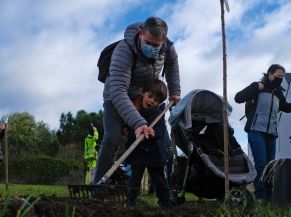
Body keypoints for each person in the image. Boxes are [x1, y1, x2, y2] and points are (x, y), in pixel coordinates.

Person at [94, 16, 181, 184]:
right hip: (117, 94)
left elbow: (172, 65)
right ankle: (100, 183)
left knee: (153, 137)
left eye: (157, 45)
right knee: (112, 137)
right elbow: (118, 91)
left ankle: (143, 185)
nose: (152, 48)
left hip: (144, 96)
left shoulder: (168, 49)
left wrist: (175, 91)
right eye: (148, 43)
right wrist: (137, 122)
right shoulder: (123, 51)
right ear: (141, 34)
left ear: (163, 42)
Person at [234, 64, 291, 203]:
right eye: (278, 75)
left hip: (271, 133)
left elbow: (287, 108)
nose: (280, 78)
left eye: (282, 76)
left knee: (270, 166)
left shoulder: (278, 93)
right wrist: (255, 87)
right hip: (256, 131)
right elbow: (238, 98)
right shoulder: (258, 87)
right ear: (270, 74)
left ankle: (270, 195)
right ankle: (260, 196)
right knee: (261, 164)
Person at [123, 80, 172, 208]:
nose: (151, 101)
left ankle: (165, 202)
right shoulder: (134, 110)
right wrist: (127, 129)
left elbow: (161, 132)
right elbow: (129, 126)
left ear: (160, 103)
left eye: (156, 100)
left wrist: (153, 132)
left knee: (159, 180)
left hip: (154, 153)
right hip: (138, 152)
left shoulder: (159, 114)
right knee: (134, 179)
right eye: (150, 96)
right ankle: (130, 202)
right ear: (143, 93)